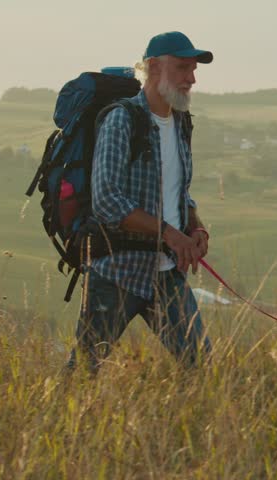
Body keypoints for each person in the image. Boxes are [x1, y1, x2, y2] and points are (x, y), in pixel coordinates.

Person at [67, 31, 214, 373]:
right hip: (116, 272)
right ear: (153, 67)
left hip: (166, 273)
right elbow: (106, 200)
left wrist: (195, 226)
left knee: (202, 367)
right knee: (82, 374)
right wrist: (169, 234)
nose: (191, 78)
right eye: (182, 68)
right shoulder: (122, 119)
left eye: (193, 69)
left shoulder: (180, 122)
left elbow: (180, 192)